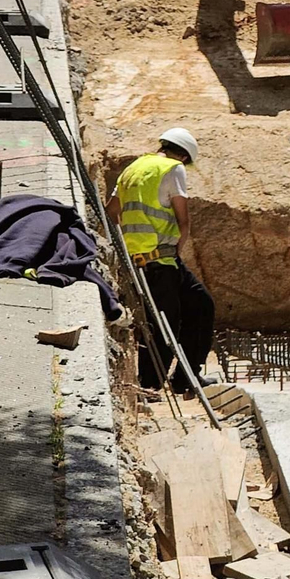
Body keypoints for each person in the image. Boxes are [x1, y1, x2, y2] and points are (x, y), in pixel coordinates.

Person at [108, 127, 215, 395]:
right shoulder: (172, 168)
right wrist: (178, 245)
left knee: (199, 305)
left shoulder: (133, 168)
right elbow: (183, 219)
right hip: (161, 259)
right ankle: (150, 384)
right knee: (163, 322)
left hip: (143, 260)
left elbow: (111, 211)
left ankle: (184, 378)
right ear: (184, 157)